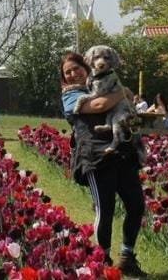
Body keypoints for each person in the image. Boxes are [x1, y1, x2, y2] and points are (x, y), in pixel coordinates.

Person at [60, 53, 146, 277]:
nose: (73, 74)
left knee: (136, 206)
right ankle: (103, 261)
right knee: (105, 209)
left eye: (76, 68)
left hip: (123, 152)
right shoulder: (70, 96)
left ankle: (127, 257)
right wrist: (123, 92)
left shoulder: (99, 84)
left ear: (86, 67)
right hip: (95, 157)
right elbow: (98, 105)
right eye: (67, 72)